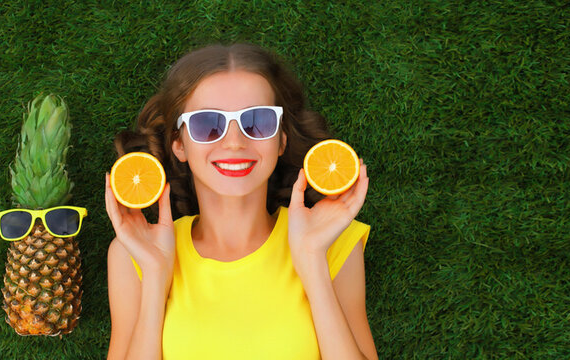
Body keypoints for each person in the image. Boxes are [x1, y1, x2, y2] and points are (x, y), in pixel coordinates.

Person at [105, 43, 378, 359]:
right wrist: (154, 275)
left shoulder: (333, 243)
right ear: (179, 144)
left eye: (257, 121)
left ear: (280, 141)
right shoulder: (134, 255)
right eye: (208, 124)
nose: (234, 142)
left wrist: (312, 259)